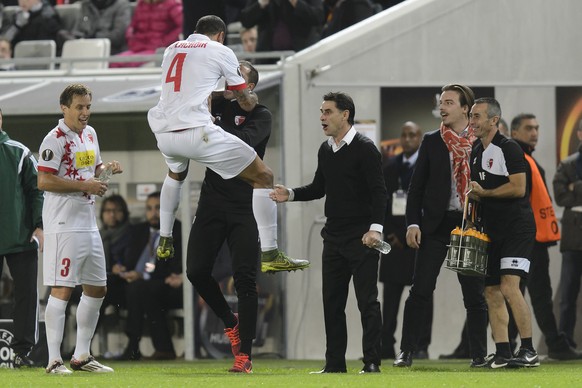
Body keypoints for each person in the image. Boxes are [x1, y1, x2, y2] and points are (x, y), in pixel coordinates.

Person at [148, 15, 306, 273]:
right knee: (264, 176)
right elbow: (244, 99)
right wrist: (250, 97)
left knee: (176, 174)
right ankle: (270, 253)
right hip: (196, 132)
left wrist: (217, 93)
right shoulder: (220, 50)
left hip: (164, 132)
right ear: (221, 35)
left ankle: (164, 237)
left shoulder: (171, 49)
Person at [271, 92, 386, 374]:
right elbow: (318, 188)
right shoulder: (325, 149)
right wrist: (292, 194)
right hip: (333, 237)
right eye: (321, 112)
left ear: (345, 115)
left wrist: (375, 229)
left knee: (366, 302)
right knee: (332, 303)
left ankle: (371, 362)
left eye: (328, 112)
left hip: (362, 238)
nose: (322, 117)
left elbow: (379, 193)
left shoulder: (365, 148)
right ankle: (335, 364)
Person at [393, 84, 488, 368]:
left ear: (464, 109)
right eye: (441, 103)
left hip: (469, 223)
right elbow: (416, 188)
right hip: (435, 224)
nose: (442, 108)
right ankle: (407, 351)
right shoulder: (432, 140)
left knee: (473, 293)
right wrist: (412, 223)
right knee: (420, 289)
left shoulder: (482, 141)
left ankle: (479, 355)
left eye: (448, 102)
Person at [188, 60, 271, 373]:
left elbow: (243, 145)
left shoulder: (261, 115)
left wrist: (210, 126)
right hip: (212, 200)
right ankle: (229, 321)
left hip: (245, 203)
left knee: (245, 279)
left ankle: (245, 355)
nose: (229, 77)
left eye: (239, 74)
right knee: (196, 270)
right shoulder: (214, 102)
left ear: (249, 86)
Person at [37, 83, 122, 374]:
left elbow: (93, 172)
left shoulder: (90, 133)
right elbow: (44, 181)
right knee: (62, 290)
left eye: (88, 106)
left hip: (88, 222)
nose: (85, 112)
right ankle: (53, 361)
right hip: (63, 224)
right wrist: (85, 185)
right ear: (64, 108)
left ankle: (82, 355)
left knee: (98, 288)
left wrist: (106, 171)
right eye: (79, 107)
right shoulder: (54, 139)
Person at [468, 97, 538, 368]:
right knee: (492, 291)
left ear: (493, 120)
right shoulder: (475, 149)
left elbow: (519, 188)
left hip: (516, 229)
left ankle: (529, 350)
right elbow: (477, 191)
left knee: (510, 286)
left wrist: (484, 193)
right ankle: (502, 352)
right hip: (491, 229)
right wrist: (472, 217)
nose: (471, 122)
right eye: (471, 116)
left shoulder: (509, 148)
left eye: (477, 117)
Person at [510, 113, 581, 360]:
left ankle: (514, 344)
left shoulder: (526, 158)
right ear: (514, 132)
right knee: (528, 293)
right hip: (527, 238)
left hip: (531, 238)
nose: (535, 132)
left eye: (537, 128)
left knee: (522, 293)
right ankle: (552, 344)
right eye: (529, 128)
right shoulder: (519, 158)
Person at [380, 121, 432, 360]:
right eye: (404, 135)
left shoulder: (428, 166)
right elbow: (383, 202)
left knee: (422, 294)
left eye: (413, 135)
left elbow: (429, 202)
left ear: (420, 138)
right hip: (393, 242)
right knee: (389, 298)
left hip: (419, 241)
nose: (408, 139)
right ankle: (385, 345)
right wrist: (391, 234)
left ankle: (420, 345)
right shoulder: (390, 166)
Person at [0, 107, 44, 368]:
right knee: (26, 296)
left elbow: (38, 190)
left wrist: (39, 226)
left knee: (27, 295)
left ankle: (23, 353)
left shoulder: (19, 151)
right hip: (18, 236)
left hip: (21, 236)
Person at [117, 191, 183, 361]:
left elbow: (174, 267)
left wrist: (143, 275)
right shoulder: (138, 230)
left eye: (158, 208)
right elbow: (126, 257)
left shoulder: (179, 230)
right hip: (137, 282)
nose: (153, 213)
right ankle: (83, 350)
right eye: (149, 208)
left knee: (140, 288)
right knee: (117, 285)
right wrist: (121, 268)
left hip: (165, 283)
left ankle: (135, 345)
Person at [553, 120, 582, 351]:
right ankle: (564, 341)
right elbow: (561, 197)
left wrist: (577, 187)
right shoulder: (568, 164)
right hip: (573, 237)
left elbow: (570, 193)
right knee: (568, 294)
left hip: (573, 225)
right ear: (579, 134)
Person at [239, 0, 323, 60]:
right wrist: (261, 3)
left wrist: (296, 2)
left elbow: (318, 17)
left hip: (300, 55)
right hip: (268, 58)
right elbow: (246, 21)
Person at [111, 0, 182, 67]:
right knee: (113, 62)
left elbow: (182, 25)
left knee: (129, 62)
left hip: (158, 50)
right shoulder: (141, 4)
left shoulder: (171, 4)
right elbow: (132, 27)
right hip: (137, 48)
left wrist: (164, 42)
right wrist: (132, 40)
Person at [57, 0, 132, 55]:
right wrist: (72, 37)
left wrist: (93, 38)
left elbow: (118, 36)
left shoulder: (122, 5)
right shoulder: (85, 5)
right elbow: (77, 31)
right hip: (84, 49)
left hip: (110, 51)